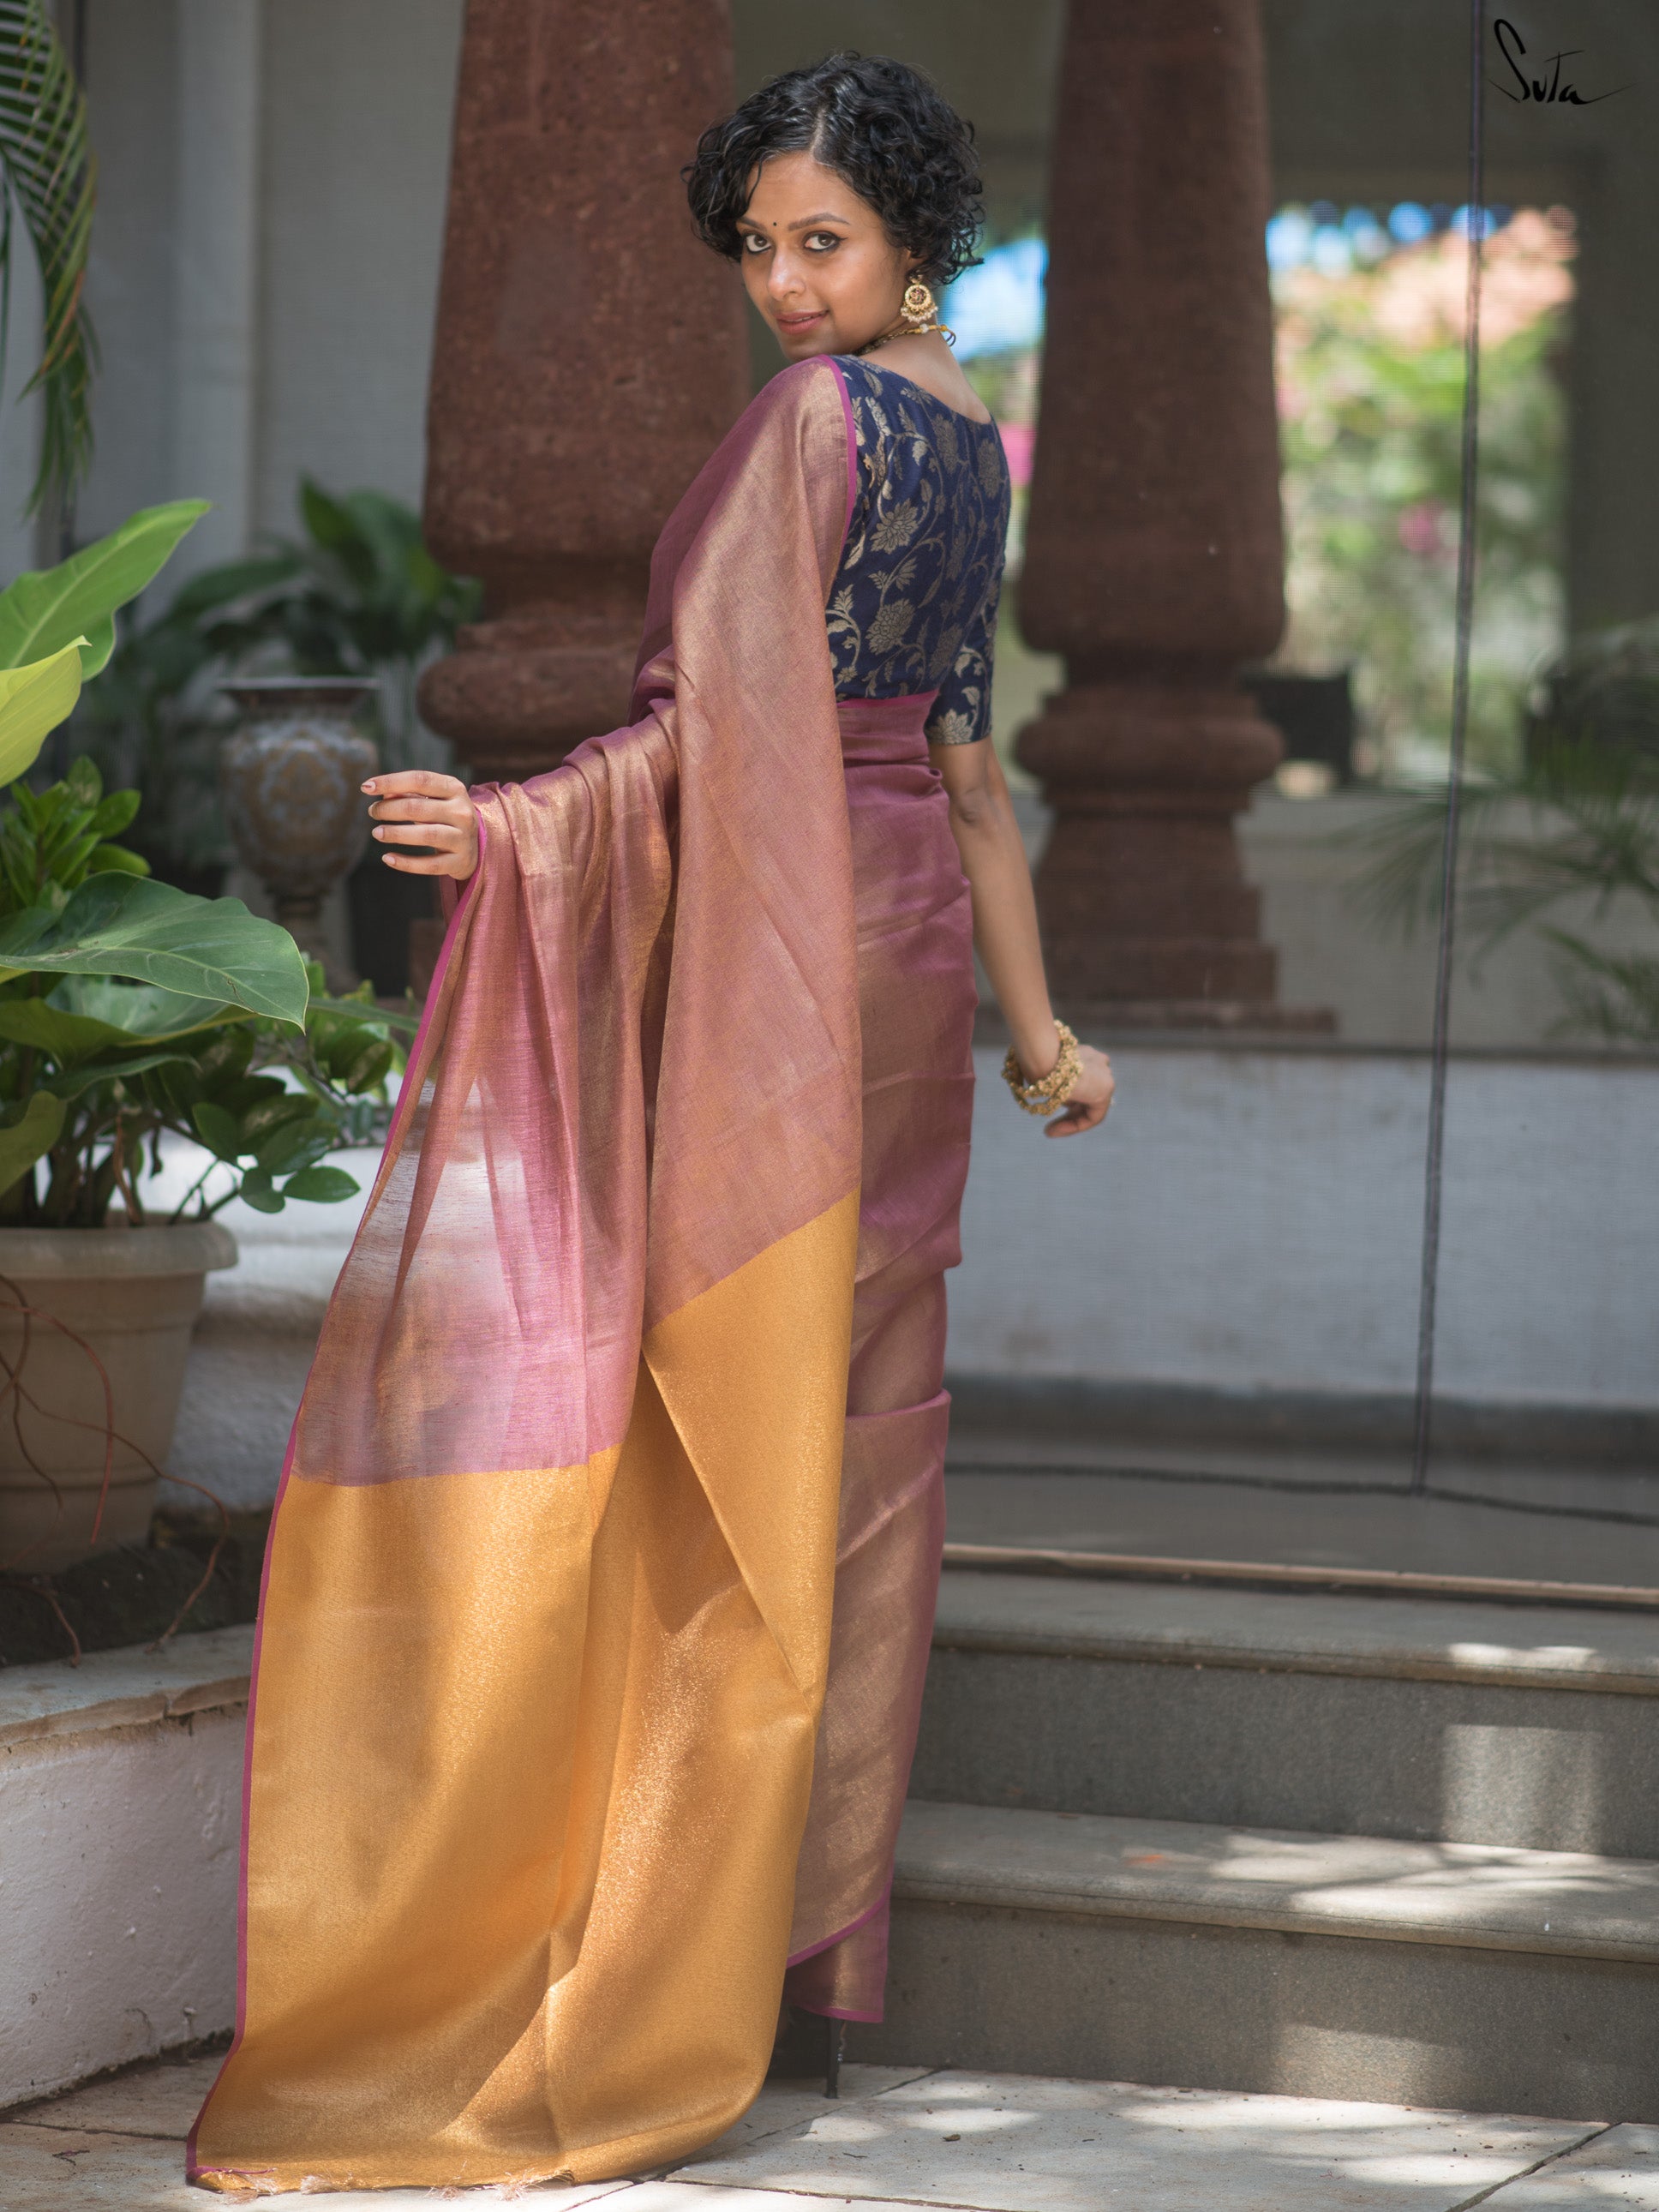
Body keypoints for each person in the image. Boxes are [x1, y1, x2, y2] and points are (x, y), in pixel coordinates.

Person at [189, 52, 1112, 2200]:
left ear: (910, 242)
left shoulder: (818, 428)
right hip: (892, 970)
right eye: (759, 250)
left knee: (726, 1434)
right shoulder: (973, 442)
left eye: (824, 243)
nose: (786, 290)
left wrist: (513, 824)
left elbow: (706, 735)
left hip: (786, 969)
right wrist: (1040, 1039)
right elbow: (970, 783)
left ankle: (664, 1958)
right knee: (864, 1444)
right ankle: (804, 1947)